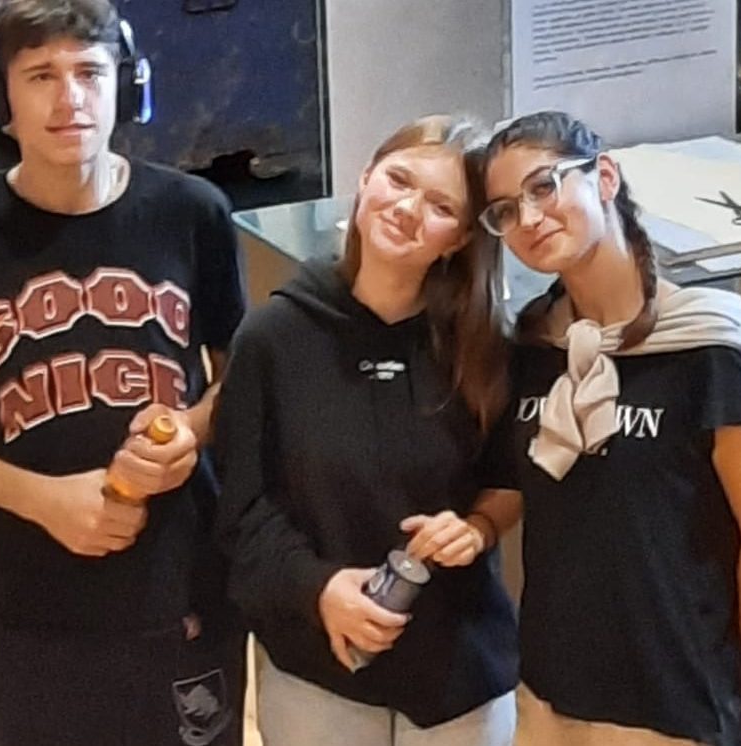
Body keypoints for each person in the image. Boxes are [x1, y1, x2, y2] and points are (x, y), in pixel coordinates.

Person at [0, 1, 247, 744]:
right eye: (40, 75)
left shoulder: (194, 213)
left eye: (90, 73)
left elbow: (239, 376)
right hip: (29, 604)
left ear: (126, 87)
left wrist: (190, 431)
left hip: (183, 592)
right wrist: (43, 501)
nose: (69, 98)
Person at [472, 111, 741, 745]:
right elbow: (520, 480)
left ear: (604, 177)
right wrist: (476, 525)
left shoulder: (705, 343)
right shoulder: (536, 345)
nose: (529, 218)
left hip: (672, 702)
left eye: (544, 186)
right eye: (506, 211)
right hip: (550, 694)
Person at [213, 114, 517, 746]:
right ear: (365, 178)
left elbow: (510, 478)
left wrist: (477, 527)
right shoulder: (272, 338)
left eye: (440, 206)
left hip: (458, 677)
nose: (407, 210)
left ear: (461, 237)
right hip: (318, 673)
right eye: (398, 181)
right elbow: (241, 509)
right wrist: (319, 588)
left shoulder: (485, 346)